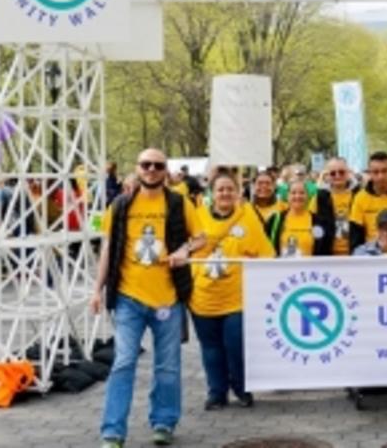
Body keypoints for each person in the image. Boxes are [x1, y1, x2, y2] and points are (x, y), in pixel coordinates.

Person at [90, 148, 206, 448]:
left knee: (167, 365)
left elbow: (202, 237)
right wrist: (96, 290)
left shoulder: (179, 203)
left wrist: (184, 251)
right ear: (138, 168)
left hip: (168, 298)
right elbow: (107, 250)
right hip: (129, 298)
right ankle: (113, 431)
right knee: (124, 362)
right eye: (146, 164)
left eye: (157, 165)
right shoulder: (120, 205)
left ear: (165, 170)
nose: (152, 169)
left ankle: (164, 422)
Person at [190, 171, 275, 411]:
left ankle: (241, 388)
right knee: (211, 349)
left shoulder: (248, 219)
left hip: (238, 298)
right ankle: (216, 393)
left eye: (230, 189)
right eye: (220, 189)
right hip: (203, 298)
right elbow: (187, 250)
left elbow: (266, 254)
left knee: (235, 346)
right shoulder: (197, 218)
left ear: (238, 193)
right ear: (212, 194)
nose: (225, 193)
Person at [266, 179, 333, 257]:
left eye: (302, 193)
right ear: (287, 196)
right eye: (293, 193)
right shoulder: (275, 220)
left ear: (308, 196)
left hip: (310, 268)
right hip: (282, 268)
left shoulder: (319, 222)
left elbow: (325, 251)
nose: (297, 196)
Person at [312, 157, 358, 256]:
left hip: (355, 254)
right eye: (333, 173)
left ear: (348, 173)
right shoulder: (319, 198)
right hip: (328, 256)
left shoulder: (359, 195)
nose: (337, 176)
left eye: (341, 172)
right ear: (327, 176)